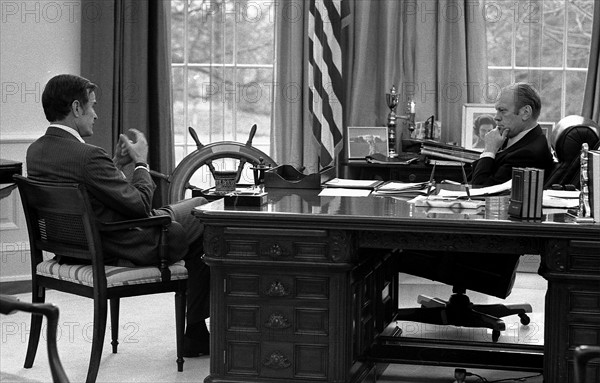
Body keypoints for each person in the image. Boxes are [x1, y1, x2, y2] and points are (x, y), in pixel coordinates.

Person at [26, 74, 210, 357]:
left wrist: (114, 165)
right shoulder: (87, 156)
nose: (96, 115)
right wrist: (141, 162)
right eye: (93, 106)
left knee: (198, 203)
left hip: (77, 246)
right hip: (121, 243)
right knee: (205, 214)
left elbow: (90, 196)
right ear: (76, 108)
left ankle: (197, 332)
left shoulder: (36, 151)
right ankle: (196, 331)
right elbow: (141, 207)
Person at [470, 83, 554, 187]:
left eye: (502, 111)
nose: (496, 117)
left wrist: (489, 151)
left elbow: (480, 189)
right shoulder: (510, 136)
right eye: (497, 110)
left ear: (525, 113)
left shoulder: (529, 154)